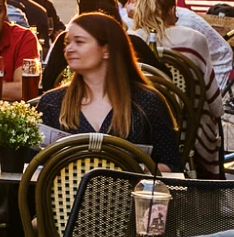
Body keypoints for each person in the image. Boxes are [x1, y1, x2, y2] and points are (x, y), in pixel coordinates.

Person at [35, 12, 185, 173]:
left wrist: (124, 170)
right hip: (63, 197)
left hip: (130, 196)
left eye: (79, 42)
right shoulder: (53, 102)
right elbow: (31, 165)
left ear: (106, 50)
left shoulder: (147, 102)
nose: (69, 49)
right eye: (67, 43)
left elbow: (172, 166)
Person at [129, 0, 224, 177]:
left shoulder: (131, 40)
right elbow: (214, 100)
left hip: (146, 129)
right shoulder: (194, 39)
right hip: (189, 128)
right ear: (172, 10)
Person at [126, 0, 234, 91]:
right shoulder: (128, 20)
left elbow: (223, 52)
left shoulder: (187, 21)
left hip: (187, 100)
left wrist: (211, 92)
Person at [40, 0, 166, 90]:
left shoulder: (67, 41)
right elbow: (164, 78)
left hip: (70, 113)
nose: (71, 47)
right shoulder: (133, 43)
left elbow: (47, 82)